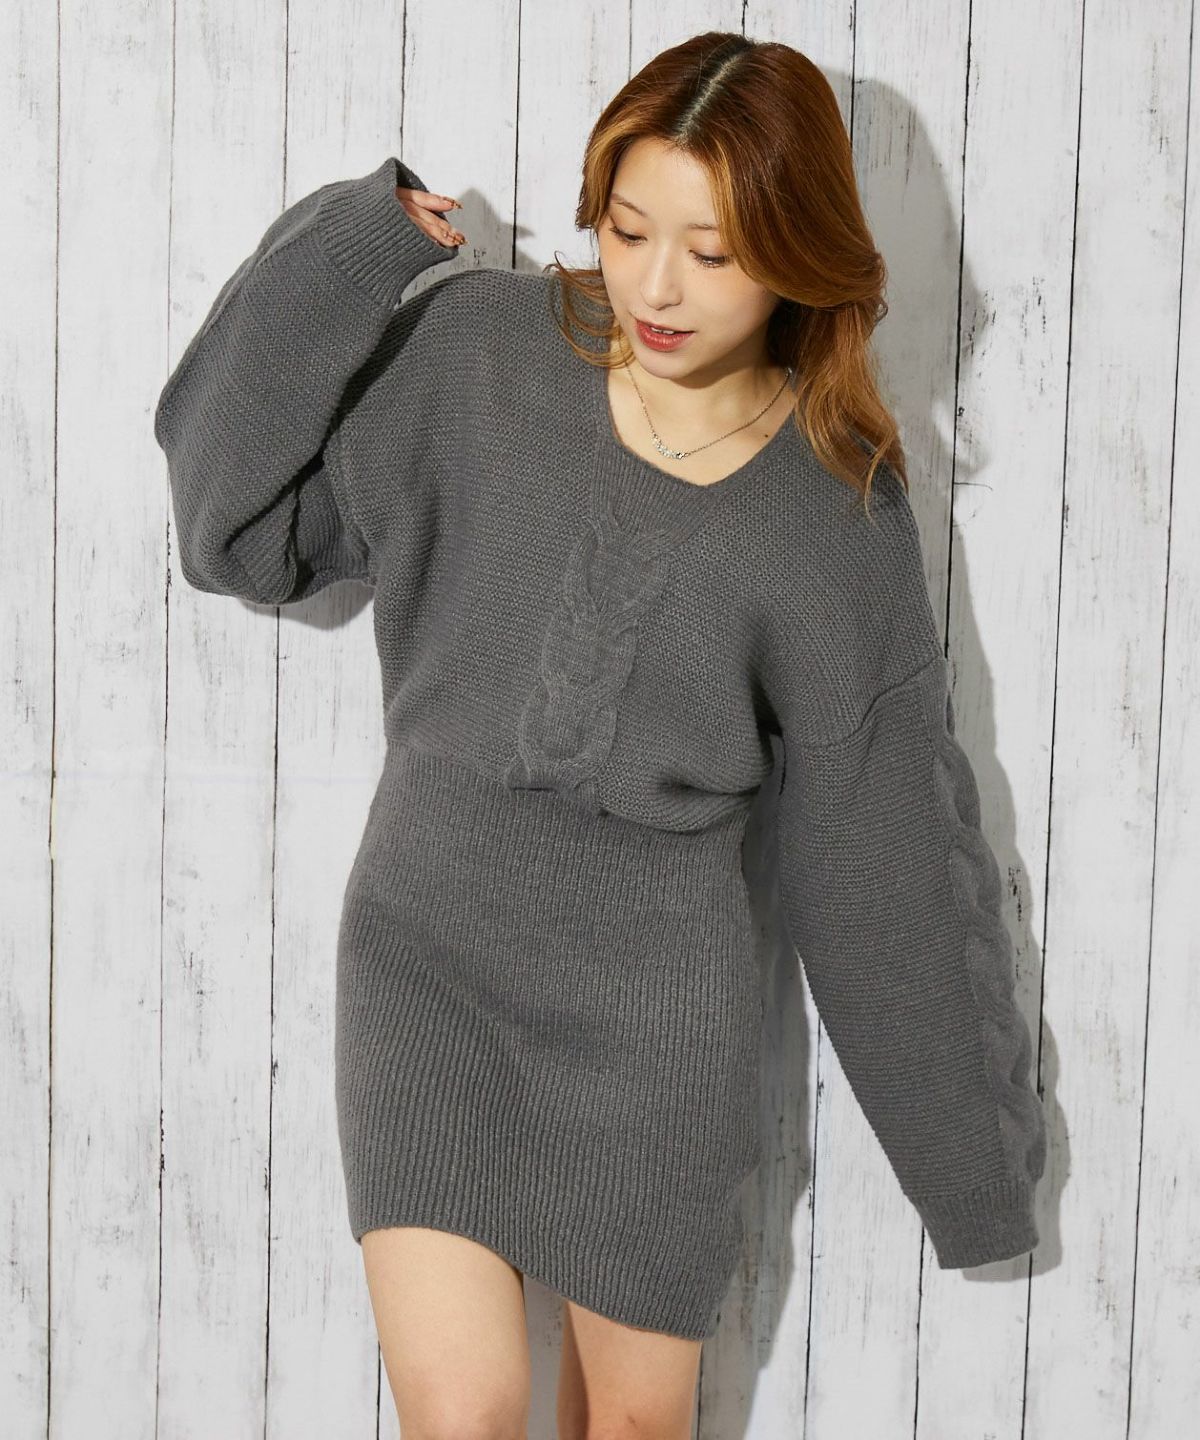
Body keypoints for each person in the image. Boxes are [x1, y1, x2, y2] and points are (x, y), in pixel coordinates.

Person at [153, 29, 1047, 1440]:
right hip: (428, 956)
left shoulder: (835, 502)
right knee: (463, 1417)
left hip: (655, 1016)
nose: (657, 286)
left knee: (630, 1430)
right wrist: (352, 250)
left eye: (714, 250)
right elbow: (238, 534)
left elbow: (877, 849)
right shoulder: (476, 355)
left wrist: (972, 1177)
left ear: (796, 254)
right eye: (629, 230)